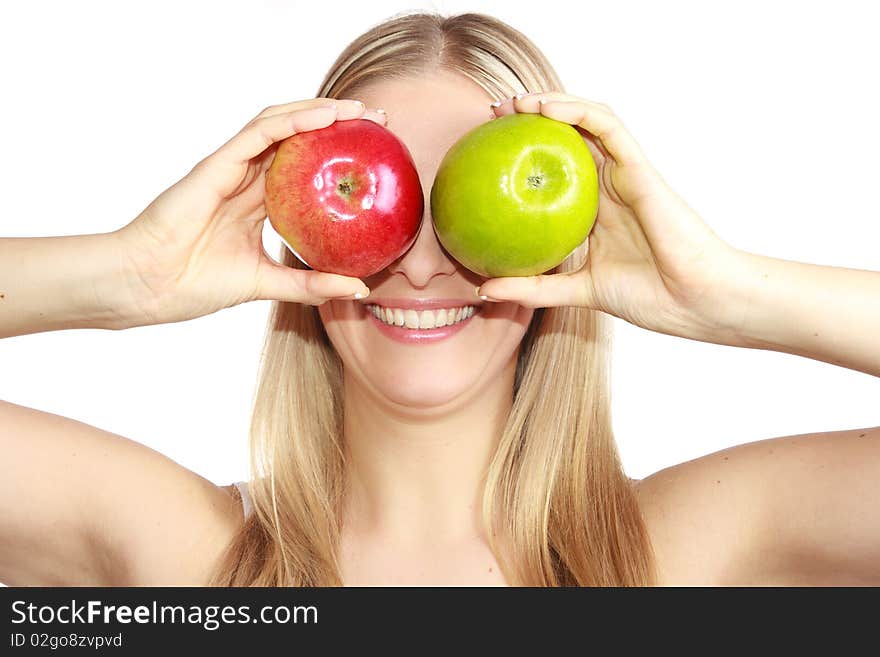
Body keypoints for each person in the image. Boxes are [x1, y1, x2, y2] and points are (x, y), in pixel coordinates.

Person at [1, 11, 878, 588]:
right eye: (383, 210)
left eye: (465, 208)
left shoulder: (685, 554)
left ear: (563, 243)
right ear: (300, 231)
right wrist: (128, 272)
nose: (421, 264)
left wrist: (725, 292)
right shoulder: (189, 557)